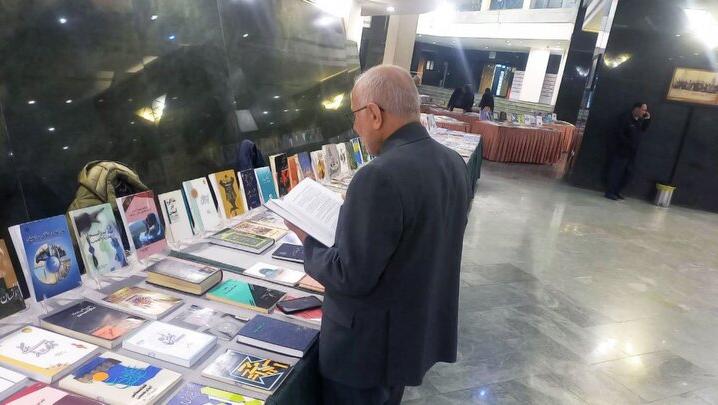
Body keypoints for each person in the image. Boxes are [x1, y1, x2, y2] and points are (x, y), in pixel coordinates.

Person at [285, 65, 470, 405]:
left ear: (373, 113)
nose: (355, 127)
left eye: (355, 115)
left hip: (364, 351)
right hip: (408, 336)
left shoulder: (379, 175)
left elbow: (349, 275)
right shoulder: (452, 162)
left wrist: (306, 238)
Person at [605, 102, 651, 200]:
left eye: (645, 110)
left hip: (632, 152)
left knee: (627, 173)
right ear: (636, 109)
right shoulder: (625, 118)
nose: (644, 112)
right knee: (616, 172)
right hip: (621, 150)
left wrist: (647, 119)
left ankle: (617, 191)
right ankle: (610, 192)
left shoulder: (638, 121)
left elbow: (643, 130)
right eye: (643, 110)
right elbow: (619, 133)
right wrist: (628, 143)